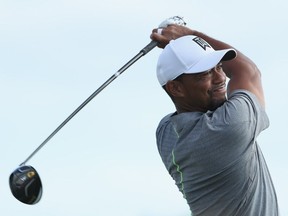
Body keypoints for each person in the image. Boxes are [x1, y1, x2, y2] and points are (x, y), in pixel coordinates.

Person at [150, 24, 278, 215]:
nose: (220, 78)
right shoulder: (231, 124)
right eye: (205, 73)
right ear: (176, 88)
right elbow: (248, 72)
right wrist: (190, 34)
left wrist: (191, 43)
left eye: (219, 66)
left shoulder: (165, 132)